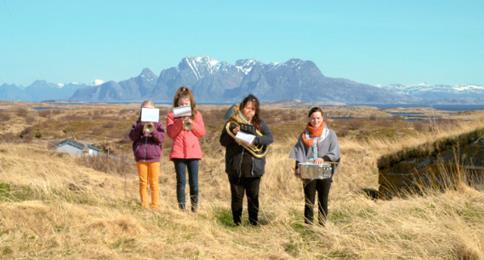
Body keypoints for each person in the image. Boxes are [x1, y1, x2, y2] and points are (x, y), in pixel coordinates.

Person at [219, 94, 273, 226]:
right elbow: (222, 141)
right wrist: (234, 138)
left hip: (254, 168)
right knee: (236, 197)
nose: (249, 111)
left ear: (256, 111)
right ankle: (236, 223)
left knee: (253, 197)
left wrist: (255, 139)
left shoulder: (259, 124)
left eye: (253, 109)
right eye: (247, 108)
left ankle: (253, 223)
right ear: (242, 108)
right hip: (235, 167)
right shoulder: (231, 124)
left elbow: (269, 138)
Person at [290, 107, 340, 225]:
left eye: (318, 118)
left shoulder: (330, 134)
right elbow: (299, 152)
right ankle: (308, 226)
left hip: (325, 171)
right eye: (313, 118)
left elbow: (335, 152)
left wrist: (323, 159)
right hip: (308, 171)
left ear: (322, 118)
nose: (315, 120)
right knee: (309, 201)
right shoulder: (304, 135)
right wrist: (297, 167)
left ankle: (322, 226)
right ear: (309, 118)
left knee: (323, 200)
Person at [166, 86, 206, 212]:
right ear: (177, 104)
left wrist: (191, 123)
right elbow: (171, 134)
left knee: (194, 183)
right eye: (181, 104)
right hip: (178, 153)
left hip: (193, 153)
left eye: (186, 104)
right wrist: (179, 122)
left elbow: (201, 133)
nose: (184, 105)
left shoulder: (196, 115)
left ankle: (194, 209)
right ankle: (182, 210)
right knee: (181, 183)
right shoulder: (172, 116)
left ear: (191, 103)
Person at [129, 100, 165, 209]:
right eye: (145, 110)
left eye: (150, 110)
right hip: (141, 158)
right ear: (141, 111)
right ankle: (144, 205)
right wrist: (140, 126)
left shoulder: (158, 124)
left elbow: (161, 139)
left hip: (154, 158)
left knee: (154, 182)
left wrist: (153, 130)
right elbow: (132, 137)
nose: (148, 112)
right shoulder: (137, 124)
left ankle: (154, 206)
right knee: (143, 182)